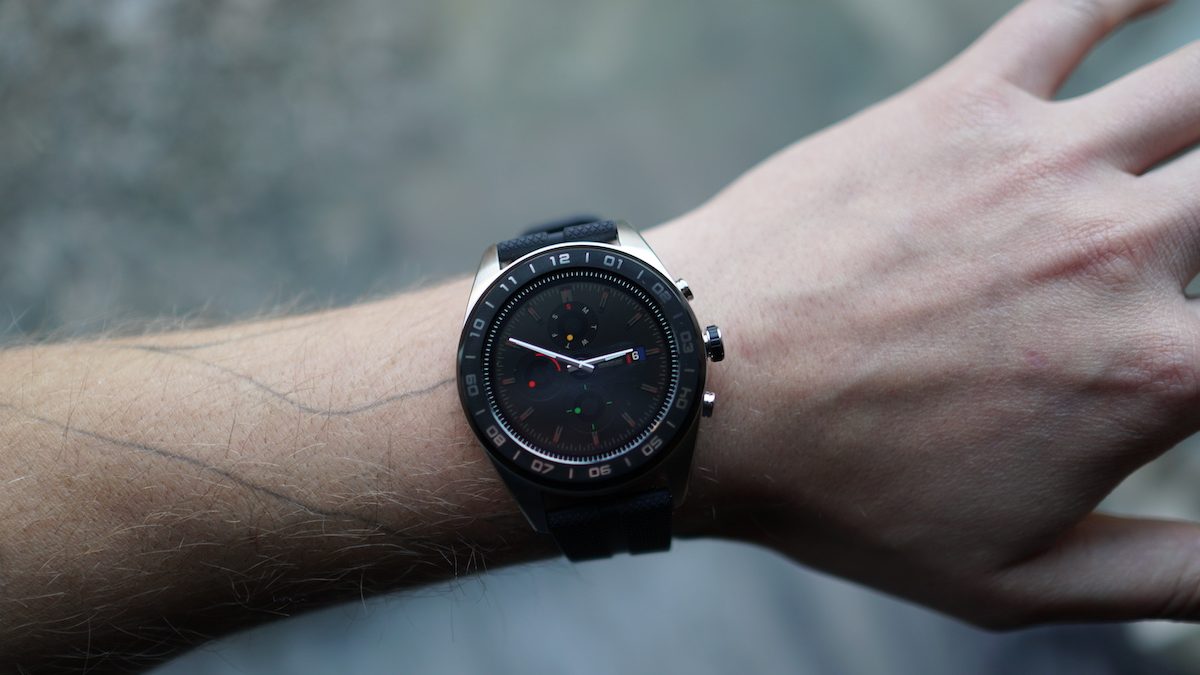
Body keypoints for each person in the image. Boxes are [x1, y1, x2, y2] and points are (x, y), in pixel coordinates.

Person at [4, 0, 1200, 670]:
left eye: (599, 354)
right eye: (571, 357)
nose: (582, 363)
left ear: (697, 360)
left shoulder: (645, 352)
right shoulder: (649, 377)